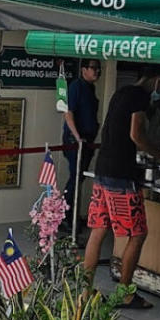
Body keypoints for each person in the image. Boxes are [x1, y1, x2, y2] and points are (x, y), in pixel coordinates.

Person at [83, 66, 160, 309]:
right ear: (156, 78)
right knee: (137, 235)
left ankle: (85, 292)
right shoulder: (139, 97)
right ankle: (124, 293)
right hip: (122, 177)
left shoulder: (120, 92)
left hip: (103, 169)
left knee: (98, 230)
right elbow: (136, 135)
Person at [62, 59, 101, 230]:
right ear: (84, 69)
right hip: (76, 140)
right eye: (93, 68)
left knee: (79, 178)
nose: (97, 72)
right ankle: (66, 217)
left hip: (88, 140)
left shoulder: (91, 88)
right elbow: (68, 113)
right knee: (75, 178)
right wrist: (77, 137)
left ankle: (71, 216)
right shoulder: (76, 86)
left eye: (98, 69)